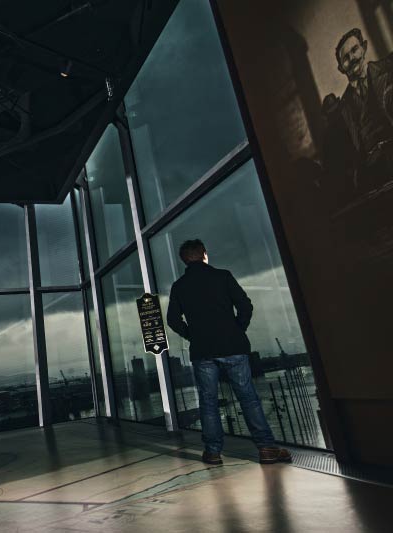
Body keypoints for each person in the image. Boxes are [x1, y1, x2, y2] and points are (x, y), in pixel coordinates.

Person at [166, 239, 291, 465]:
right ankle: (266, 449)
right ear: (205, 254)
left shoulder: (179, 286)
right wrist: (237, 329)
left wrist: (192, 335)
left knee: (208, 402)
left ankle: (213, 452)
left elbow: (173, 320)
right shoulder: (223, 276)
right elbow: (245, 306)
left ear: (184, 260)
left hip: (202, 351)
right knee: (248, 399)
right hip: (233, 346)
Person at [322, 27, 393, 193]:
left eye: (354, 50)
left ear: (364, 47)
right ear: (341, 68)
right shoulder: (342, 109)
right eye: (345, 58)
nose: (352, 58)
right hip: (373, 176)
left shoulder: (389, 70)